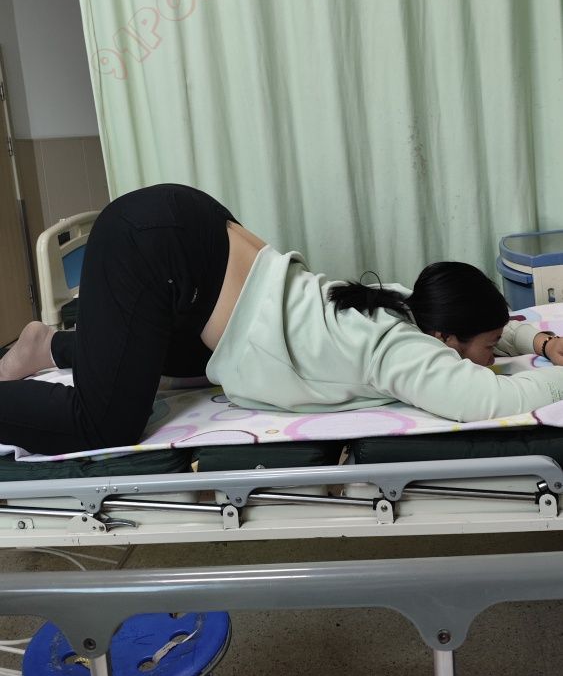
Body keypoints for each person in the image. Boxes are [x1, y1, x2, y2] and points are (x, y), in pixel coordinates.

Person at [1, 183, 563, 456]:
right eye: (490, 347)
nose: (492, 359)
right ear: (444, 339)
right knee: (103, 428)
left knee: (178, 371)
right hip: (157, 252)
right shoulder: (404, 350)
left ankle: (47, 346)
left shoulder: (403, 305)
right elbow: (487, 399)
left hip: (186, 240)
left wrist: (534, 339)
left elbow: (478, 334)